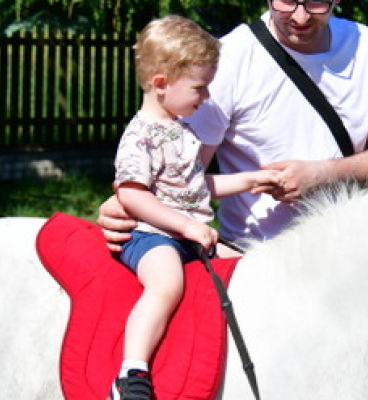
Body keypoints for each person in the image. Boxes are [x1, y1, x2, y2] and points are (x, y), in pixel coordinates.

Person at [98, 0, 368, 255]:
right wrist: (125, 204)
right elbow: (178, 176)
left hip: (351, 251)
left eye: (315, 2)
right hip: (257, 261)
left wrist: (322, 174)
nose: (300, 16)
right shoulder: (228, 58)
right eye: (286, 1)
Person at [109, 15, 280, 400]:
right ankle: (130, 372)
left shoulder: (182, 131)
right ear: (160, 84)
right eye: (200, 89)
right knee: (166, 283)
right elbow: (132, 195)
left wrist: (253, 180)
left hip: (187, 234)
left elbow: (194, 189)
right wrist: (187, 228)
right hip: (149, 236)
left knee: (246, 267)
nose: (206, 99)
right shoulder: (141, 137)